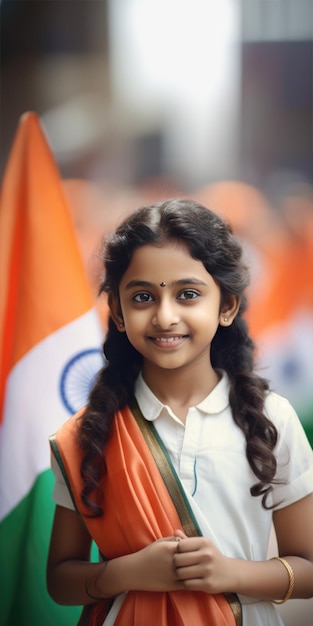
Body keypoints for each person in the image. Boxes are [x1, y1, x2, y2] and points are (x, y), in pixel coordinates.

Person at [47, 198, 313, 626]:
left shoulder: (271, 420)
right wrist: (126, 573)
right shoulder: (90, 432)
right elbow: (59, 580)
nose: (165, 316)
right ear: (117, 311)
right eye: (143, 297)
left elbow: (308, 567)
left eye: (188, 294)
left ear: (226, 306)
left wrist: (230, 573)